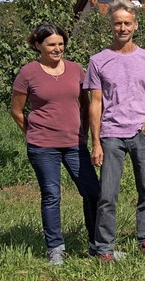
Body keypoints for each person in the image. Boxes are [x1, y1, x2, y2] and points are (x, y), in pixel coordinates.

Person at [84, 0, 145, 261]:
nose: (122, 28)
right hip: (111, 136)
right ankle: (104, 248)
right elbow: (95, 104)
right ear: (111, 25)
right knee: (107, 195)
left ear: (136, 26)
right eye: (118, 23)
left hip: (142, 134)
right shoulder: (98, 61)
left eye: (127, 23)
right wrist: (96, 142)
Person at [10, 24, 100, 266]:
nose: (57, 48)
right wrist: (33, 133)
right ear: (38, 45)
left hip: (74, 143)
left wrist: (82, 132)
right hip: (42, 146)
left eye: (61, 44)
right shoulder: (28, 73)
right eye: (51, 44)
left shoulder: (75, 70)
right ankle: (56, 248)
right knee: (51, 195)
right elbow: (17, 111)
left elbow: (84, 104)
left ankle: (97, 245)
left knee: (93, 192)